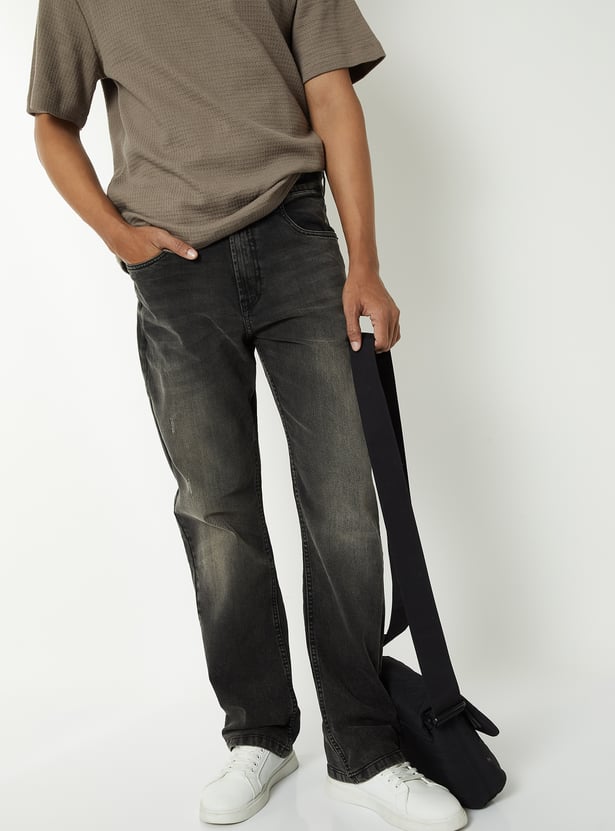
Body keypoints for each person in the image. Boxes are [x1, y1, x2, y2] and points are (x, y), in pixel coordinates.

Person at [26, 2, 467, 829]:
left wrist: (364, 263)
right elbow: (54, 121)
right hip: (173, 265)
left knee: (343, 502)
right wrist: (119, 237)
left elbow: (332, 94)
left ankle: (364, 747)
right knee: (215, 506)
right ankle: (259, 733)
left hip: (296, 234)